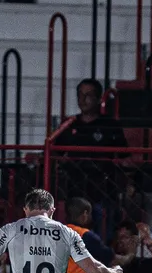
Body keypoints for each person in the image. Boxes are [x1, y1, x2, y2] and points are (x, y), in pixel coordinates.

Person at [54, 78, 128, 237]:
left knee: (102, 238)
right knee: (75, 238)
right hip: (75, 191)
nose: (83, 99)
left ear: (98, 98)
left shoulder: (110, 125)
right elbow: (54, 153)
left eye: (88, 95)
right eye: (80, 95)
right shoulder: (69, 125)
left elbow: (125, 157)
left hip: (104, 192)